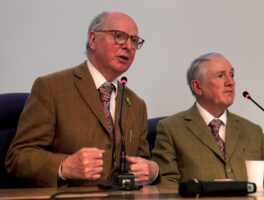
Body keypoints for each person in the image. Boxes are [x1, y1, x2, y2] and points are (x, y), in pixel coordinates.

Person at [5, 11, 158, 187]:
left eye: (134, 40)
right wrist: (63, 167)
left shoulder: (136, 105)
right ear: (93, 40)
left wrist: (152, 170)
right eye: (119, 36)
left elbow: (141, 161)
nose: (128, 46)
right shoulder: (51, 88)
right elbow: (18, 156)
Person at [151, 53, 264, 185]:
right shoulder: (171, 129)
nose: (230, 82)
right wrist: (206, 189)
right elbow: (165, 186)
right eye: (220, 76)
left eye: (232, 75)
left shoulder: (253, 131)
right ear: (197, 87)